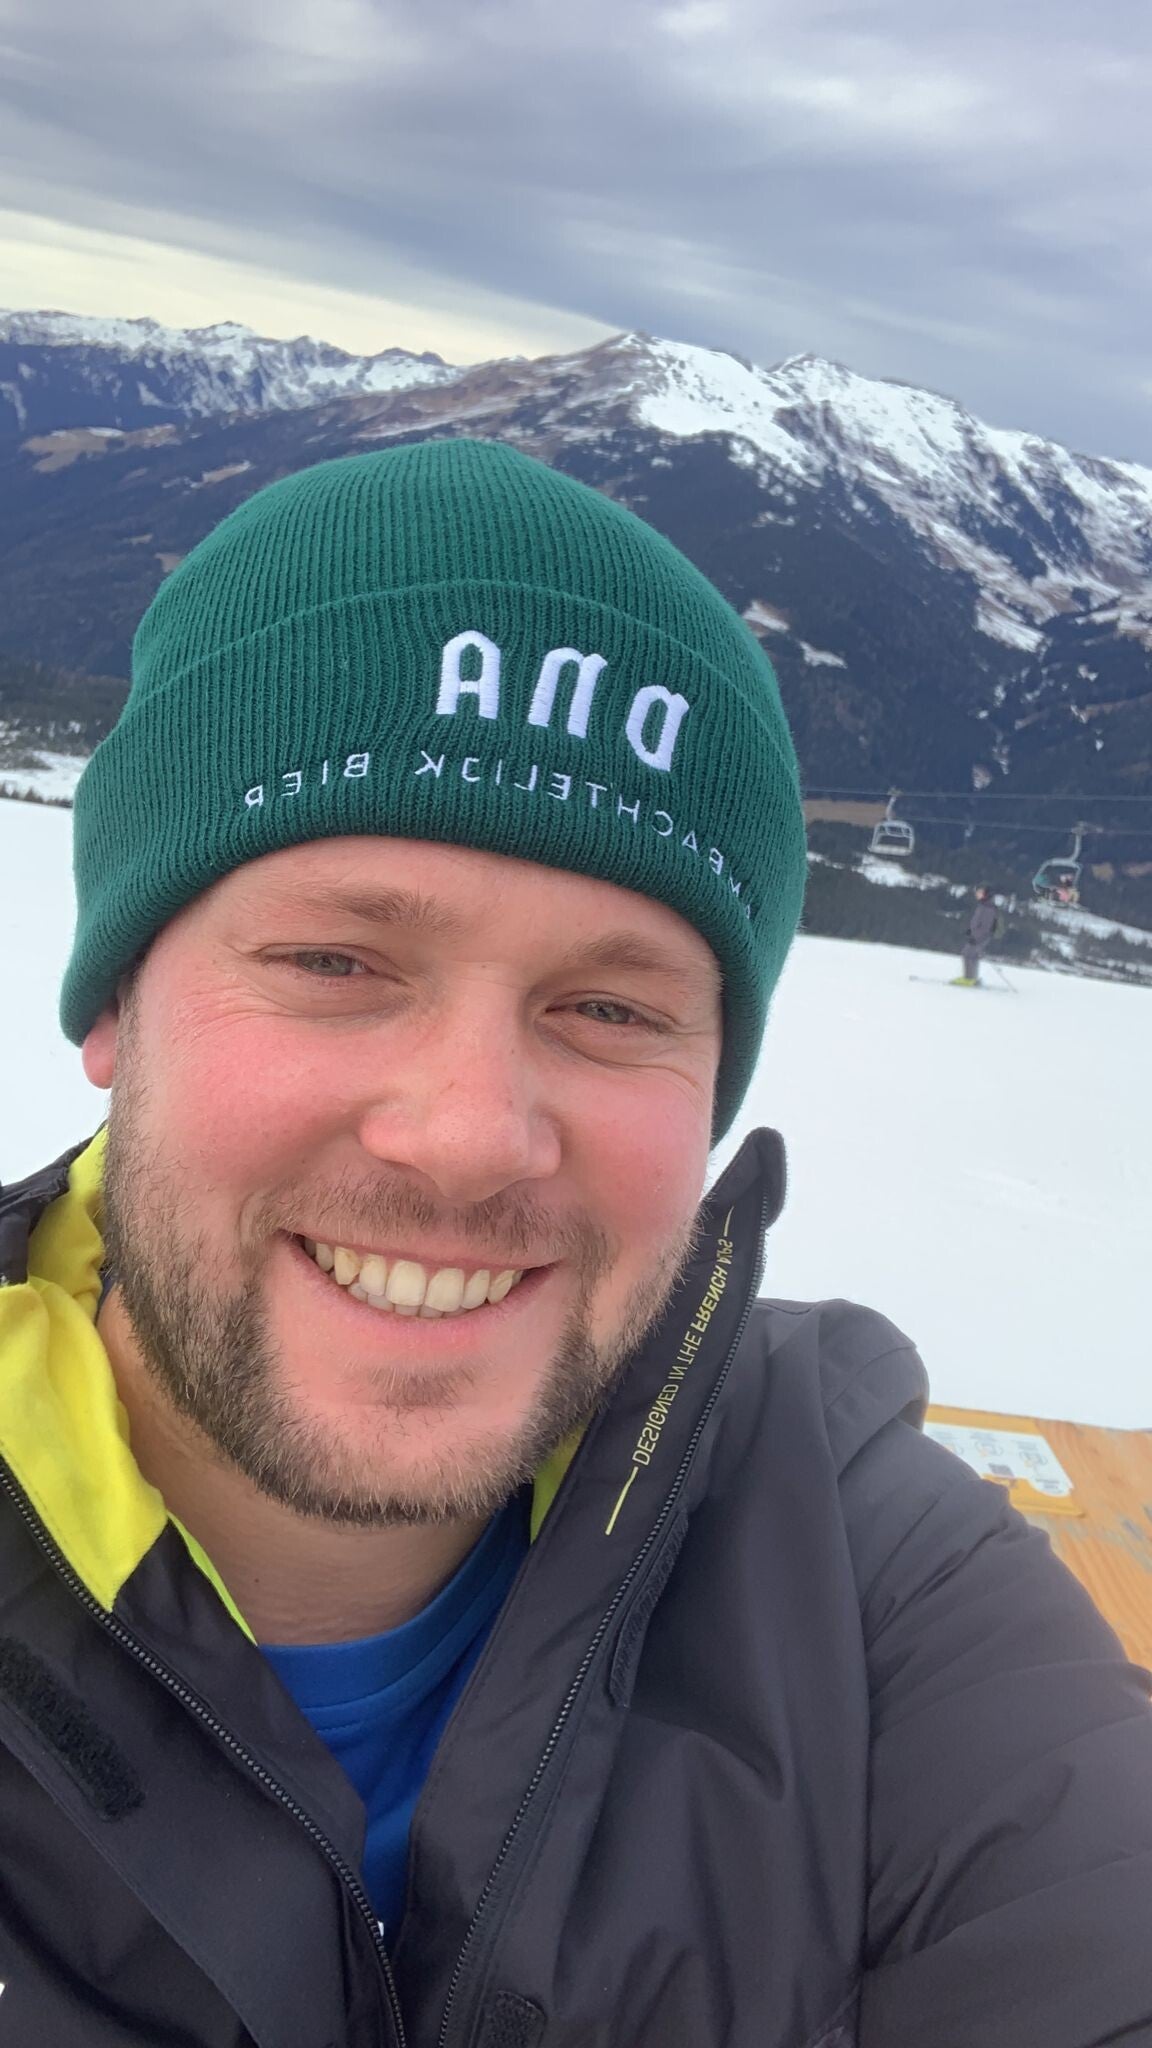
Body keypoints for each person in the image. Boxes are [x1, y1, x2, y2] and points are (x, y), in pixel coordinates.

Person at [2, 440, 1150, 2048]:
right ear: (118, 1008)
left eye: (610, 1008)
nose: (473, 1131)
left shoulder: (858, 1567)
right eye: (337, 961)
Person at [955, 883, 1001, 986]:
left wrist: (975, 937)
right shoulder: (984, 905)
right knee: (972, 955)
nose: (977, 894)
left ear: (987, 894)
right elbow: (978, 922)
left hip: (980, 938)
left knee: (968, 954)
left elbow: (985, 927)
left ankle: (969, 978)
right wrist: (971, 930)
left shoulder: (988, 908)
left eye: (980, 892)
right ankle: (972, 978)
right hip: (978, 936)